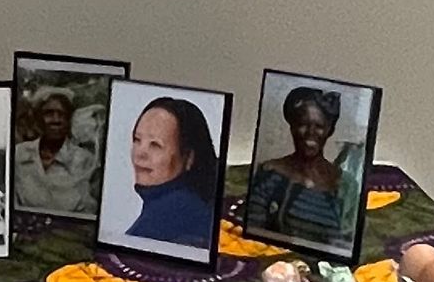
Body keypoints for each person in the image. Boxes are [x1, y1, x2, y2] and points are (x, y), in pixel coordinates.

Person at [244, 85, 351, 250]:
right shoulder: (271, 174)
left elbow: (345, 242)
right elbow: (253, 234)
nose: (310, 132)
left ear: (330, 130)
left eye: (319, 126)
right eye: (302, 124)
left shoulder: (344, 185)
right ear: (292, 126)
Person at [125, 96, 218, 246]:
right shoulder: (180, 203)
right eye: (137, 140)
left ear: (189, 158)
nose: (140, 153)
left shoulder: (176, 209)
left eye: (155, 145)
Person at [13, 89, 97, 215]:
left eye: (62, 114)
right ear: (38, 119)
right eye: (48, 114)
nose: (56, 120)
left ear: (69, 121)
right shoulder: (19, 154)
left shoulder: (85, 160)